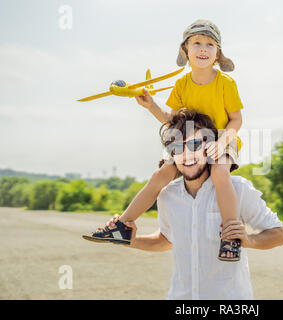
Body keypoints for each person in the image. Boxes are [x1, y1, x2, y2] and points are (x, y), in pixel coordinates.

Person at [85, 19, 245, 261]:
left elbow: (236, 121)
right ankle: (123, 226)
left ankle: (230, 237)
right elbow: (172, 120)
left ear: (217, 53)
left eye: (210, 44)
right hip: (188, 135)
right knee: (159, 176)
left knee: (220, 173)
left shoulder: (226, 83)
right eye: (197, 43)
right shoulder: (181, 84)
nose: (203, 48)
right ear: (185, 51)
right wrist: (150, 105)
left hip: (221, 136)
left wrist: (221, 143)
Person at [105, 109, 283, 299]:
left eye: (194, 144)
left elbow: (278, 234)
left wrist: (250, 241)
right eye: (177, 148)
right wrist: (130, 241)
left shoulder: (238, 189)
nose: (186, 154)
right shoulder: (167, 196)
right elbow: (166, 241)